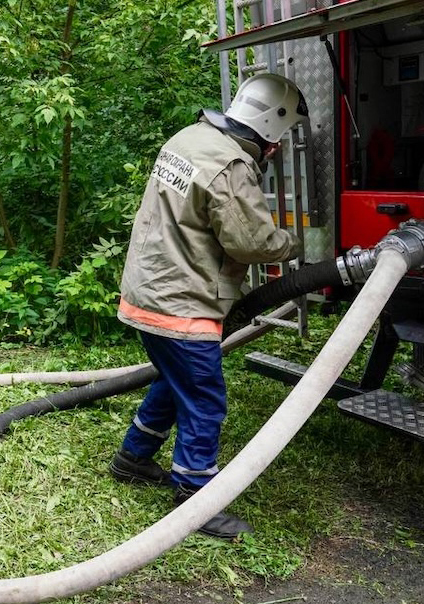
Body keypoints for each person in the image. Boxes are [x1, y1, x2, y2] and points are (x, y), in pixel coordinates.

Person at [108, 73, 306, 539]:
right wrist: (295, 244)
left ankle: (133, 457)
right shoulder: (230, 165)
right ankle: (195, 498)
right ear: (271, 128)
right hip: (181, 303)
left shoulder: (190, 137)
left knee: (177, 382)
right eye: (280, 137)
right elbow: (251, 241)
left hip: (147, 294)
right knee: (204, 400)